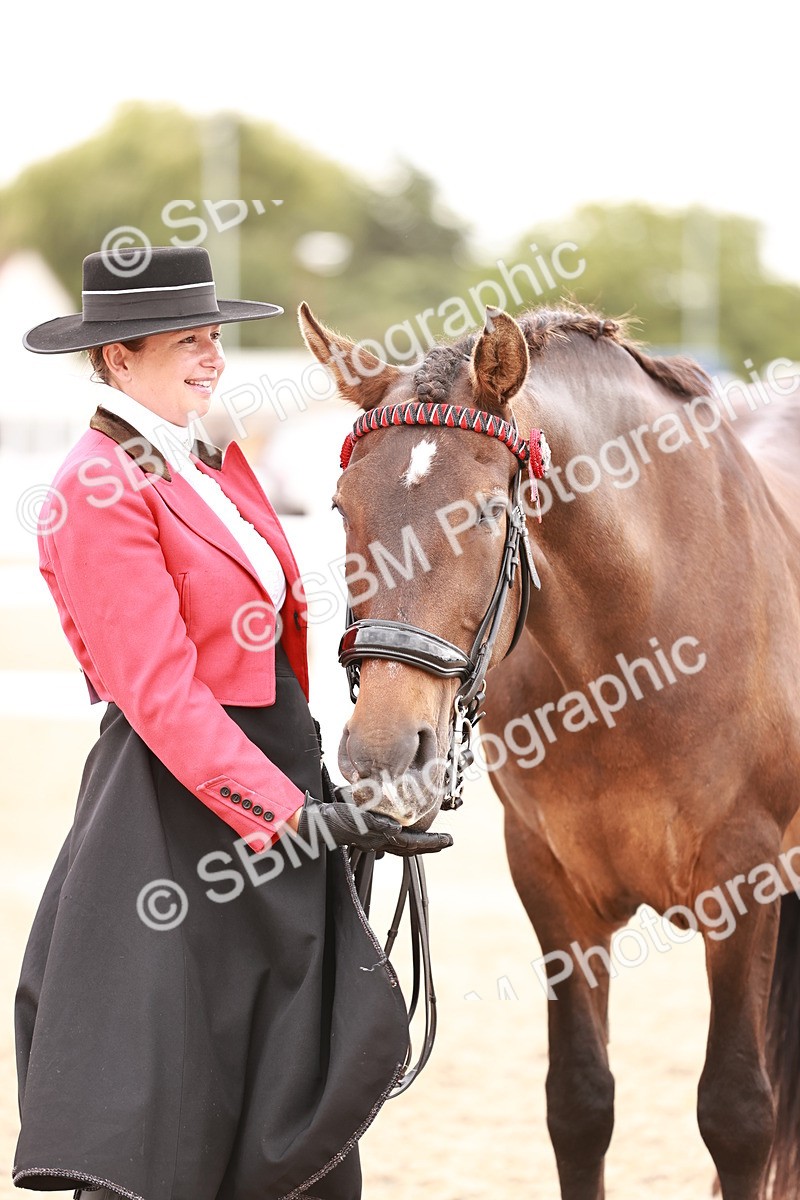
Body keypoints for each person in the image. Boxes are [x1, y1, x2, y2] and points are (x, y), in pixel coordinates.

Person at [12, 245, 452, 1200]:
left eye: (213, 338)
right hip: (174, 809)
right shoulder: (97, 488)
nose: (212, 359)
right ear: (118, 359)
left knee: (280, 1076)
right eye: (186, 343)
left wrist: (323, 782)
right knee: (175, 1094)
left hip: (269, 774)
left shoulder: (210, 462)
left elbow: (278, 645)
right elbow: (160, 692)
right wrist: (289, 817)